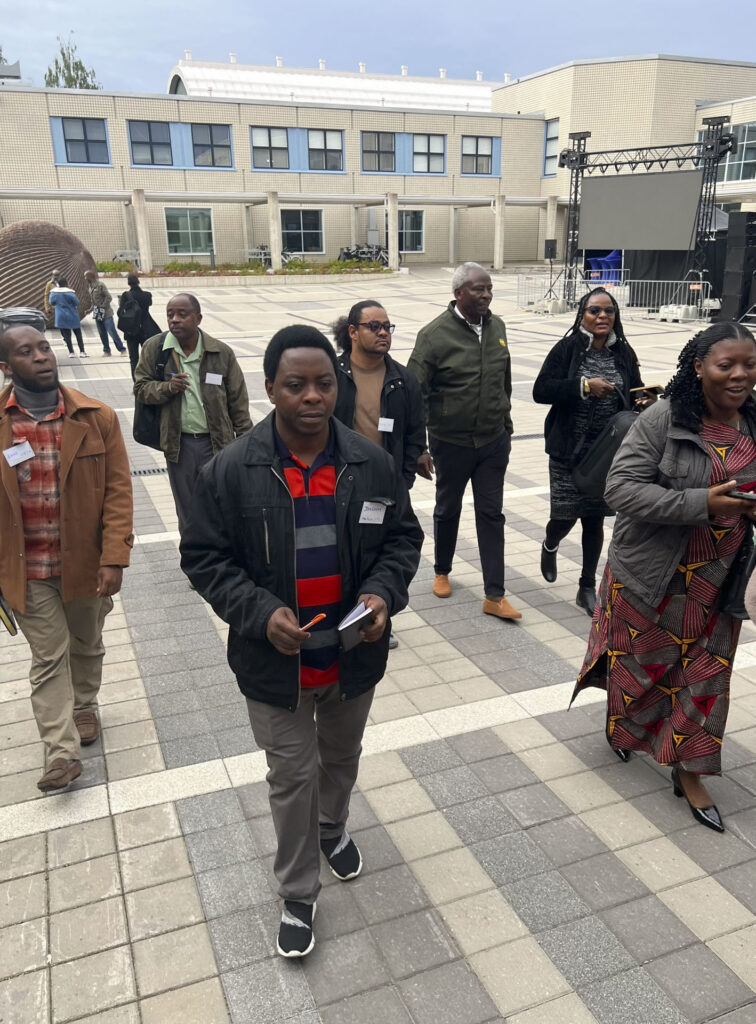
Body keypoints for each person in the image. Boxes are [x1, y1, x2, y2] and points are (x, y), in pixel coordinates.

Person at [180, 325, 423, 958]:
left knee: (340, 760)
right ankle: (297, 890)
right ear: (270, 389)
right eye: (296, 385)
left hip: (351, 655)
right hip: (273, 666)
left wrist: (381, 595)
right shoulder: (229, 471)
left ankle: (333, 827)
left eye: (323, 383)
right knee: (290, 777)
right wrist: (260, 614)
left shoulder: (369, 463)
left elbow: (402, 539)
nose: (312, 396)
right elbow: (204, 558)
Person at [573, 321, 756, 833]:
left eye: (750, 364)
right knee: (641, 669)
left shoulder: (754, 422)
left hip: (719, 580)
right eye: (727, 365)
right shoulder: (664, 419)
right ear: (699, 368)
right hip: (654, 574)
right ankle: (623, 724)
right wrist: (702, 502)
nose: (740, 375)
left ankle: (690, 769)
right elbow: (621, 490)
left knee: (705, 679)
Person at [0, 323, 133, 791]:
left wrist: (114, 556)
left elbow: (118, 492)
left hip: (85, 564)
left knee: (87, 644)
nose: (40, 356)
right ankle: (60, 753)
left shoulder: (97, 417)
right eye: (25, 352)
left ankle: (84, 706)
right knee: (48, 658)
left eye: (43, 347)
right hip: (25, 569)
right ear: (5, 367)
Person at [408, 261, 520, 620]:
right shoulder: (434, 335)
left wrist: (507, 427)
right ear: (458, 293)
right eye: (478, 289)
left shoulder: (498, 326)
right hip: (450, 442)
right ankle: (442, 570)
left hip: (492, 442)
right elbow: (415, 394)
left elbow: (504, 380)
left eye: (488, 288)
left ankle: (494, 594)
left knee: (491, 514)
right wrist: (420, 448)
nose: (486, 294)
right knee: (447, 509)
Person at [533, 287, 646, 615]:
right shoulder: (567, 349)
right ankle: (550, 543)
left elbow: (634, 389)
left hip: (607, 452)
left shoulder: (622, 353)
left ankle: (586, 587)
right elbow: (542, 390)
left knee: (595, 518)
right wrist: (584, 387)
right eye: (595, 311)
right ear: (582, 314)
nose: (602, 317)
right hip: (568, 450)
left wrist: (642, 400)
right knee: (564, 515)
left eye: (608, 311)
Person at [332, 299, 432, 649]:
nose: (383, 333)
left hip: (382, 485)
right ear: (353, 332)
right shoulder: (334, 373)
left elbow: (416, 434)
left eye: (387, 326)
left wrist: (402, 480)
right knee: (338, 549)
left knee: (374, 550)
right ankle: (337, 618)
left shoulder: (403, 380)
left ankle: (372, 615)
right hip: (337, 481)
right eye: (374, 326)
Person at [133, 292, 251, 534]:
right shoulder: (155, 348)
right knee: (187, 509)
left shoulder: (221, 353)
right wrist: (167, 388)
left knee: (222, 503)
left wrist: (247, 442)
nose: (174, 320)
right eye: (170, 315)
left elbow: (238, 401)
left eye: (182, 314)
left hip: (217, 444)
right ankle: (194, 560)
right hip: (180, 445)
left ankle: (224, 554)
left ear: (198, 318)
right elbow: (141, 389)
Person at [117, 272, 161, 379]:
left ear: (128, 283)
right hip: (146, 329)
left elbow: (120, 313)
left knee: (134, 359)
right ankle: (148, 378)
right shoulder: (147, 295)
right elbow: (149, 304)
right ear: (138, 281)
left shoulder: (126, 295)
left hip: (131, 331)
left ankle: (136, 382)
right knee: (148, 357)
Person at [84, 269, 126, 357]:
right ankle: (107, 351)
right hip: (98, 314)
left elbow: (109, 297)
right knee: (102, 333)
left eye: (86, 277)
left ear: (91, 277)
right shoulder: (90, 286)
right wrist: (90, 310)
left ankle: (122, 350)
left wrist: (102, 306)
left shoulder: (100, 285)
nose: (85, 278)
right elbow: (94, 302)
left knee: (111, 332)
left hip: (106, 313)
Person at [48, 277, 86, 357]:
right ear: (66, 283)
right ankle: (82, 351)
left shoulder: (54, 293)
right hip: (72, 315)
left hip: (61, 316)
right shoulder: (71, 293)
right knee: (78, 334)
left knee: (66, 335)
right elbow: (77, 303)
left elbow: (51, 302)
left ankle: (71, 352)